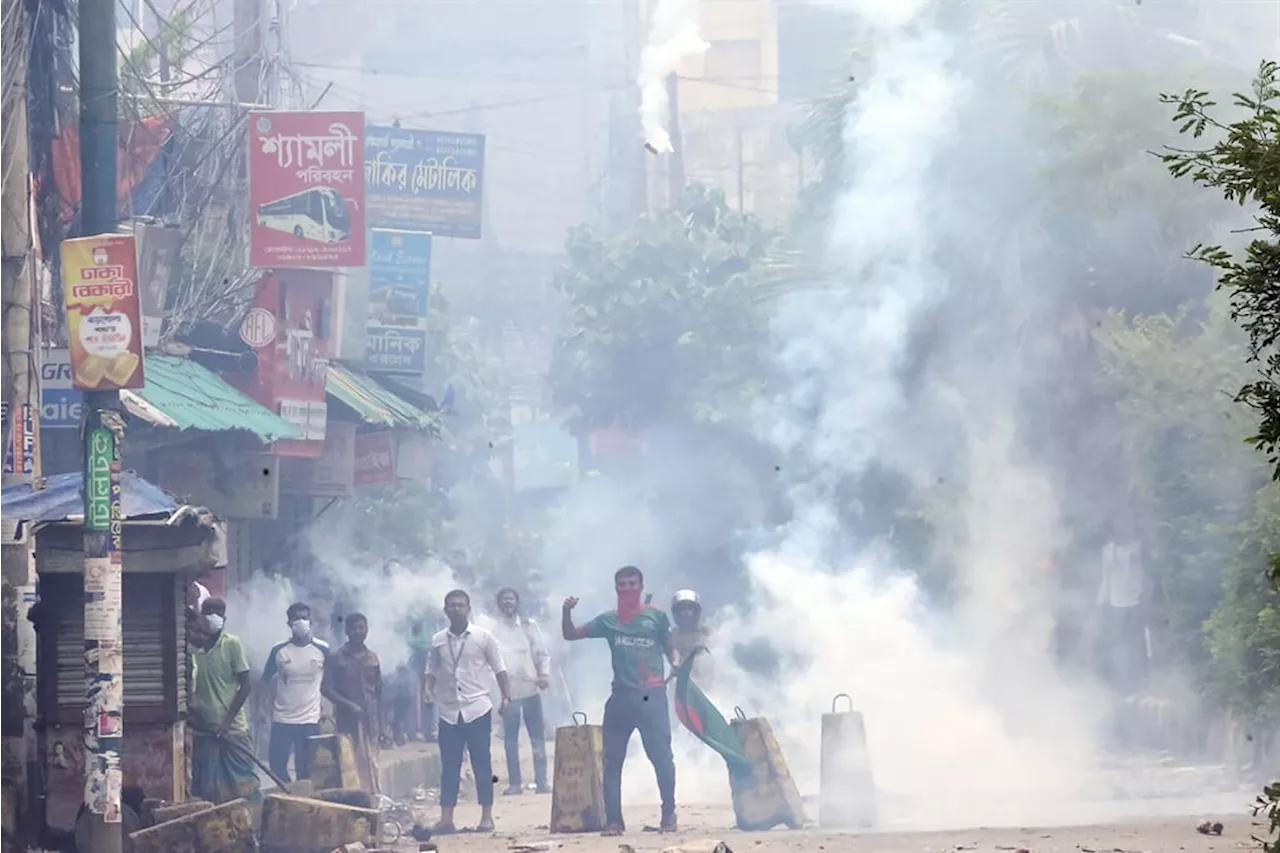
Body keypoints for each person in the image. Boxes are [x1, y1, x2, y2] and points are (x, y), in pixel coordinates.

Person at [562, 566, 677, 835]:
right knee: (612, 760)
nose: (627, 588)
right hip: (621, 697)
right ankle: (614, 821)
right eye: (622, 584)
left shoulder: (657, 617)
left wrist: (677, 663)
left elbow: (670, 648)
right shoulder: (608, 621)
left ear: (640, 585)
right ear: (616, 589)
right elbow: (570, 634)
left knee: (661, 758)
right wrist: (566, 612)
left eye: (631, 583)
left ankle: (669, 815)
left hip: (652, 696)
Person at [426, 589, 511, 834]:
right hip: (449, 710)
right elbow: (431, 668)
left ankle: (486, 817)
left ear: (469, 608)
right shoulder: (438, 640)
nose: (456, 609)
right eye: (451, 605)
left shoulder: (483, 637)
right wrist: (427, 689)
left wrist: (506, 696)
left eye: (460, 605)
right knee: (449, 766)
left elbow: (500, 668)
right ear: (445, 610)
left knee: (481, 764)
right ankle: (446, 819)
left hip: (477, 707)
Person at [190, 597, 262, 805]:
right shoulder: (195, 650)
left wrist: (226, 723)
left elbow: (245, 685)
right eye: (208, 610)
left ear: (224, 617)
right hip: (204, 730)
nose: (212, 615)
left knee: (244, 781)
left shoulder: (232, 644)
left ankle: (256, 821)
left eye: (218, 611)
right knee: (207, 786)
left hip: (233, 729)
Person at [261, 601, 332, 783]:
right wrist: (263, 709)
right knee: (276, 766)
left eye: (304, 618)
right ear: (289, 623)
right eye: (296, 618)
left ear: (311, 621)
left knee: (305, 768)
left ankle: (302, 803)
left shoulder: (323, 649)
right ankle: (288, 794)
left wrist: (328, 709)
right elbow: (265, 680)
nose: (300, 622)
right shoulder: (279, 651)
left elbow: (331, 681)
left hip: (310, 719)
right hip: (282, 718)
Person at [490, 587, 552, 795]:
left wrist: (544, 674)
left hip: (531, 689)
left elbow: (542, 653)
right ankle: (515, 784)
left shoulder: (529, 626)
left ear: (517, 602)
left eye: (511, 598)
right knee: (510, 741)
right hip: (509, 692)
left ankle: (542, 782)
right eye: (504, 599)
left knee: (537, 738)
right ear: (499, 604)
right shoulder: (492, 629)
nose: (508, 602)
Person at [322, 612, 383, 793]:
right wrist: (349, 705)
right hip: (346, 721)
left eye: (361, 628)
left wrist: (384, 726)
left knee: (372, 763)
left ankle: (373, 799)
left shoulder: (372, 658)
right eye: (354, 628)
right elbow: (326, 689)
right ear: (347, 631)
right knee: (350, 763)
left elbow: (379, 694)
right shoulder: (337, 658)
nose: (358, 631)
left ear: (367, 630)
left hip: (370, 721)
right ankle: (355, 801)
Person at [670, 589, 713, 688]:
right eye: (682, 610)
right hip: (681, 684)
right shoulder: (673, 633)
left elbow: (721, 650)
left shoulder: (706, 631)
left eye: (689, 610)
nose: (686, 614)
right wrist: (675, 664)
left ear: (696, 612)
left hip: (707, 684)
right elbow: (674, 651)